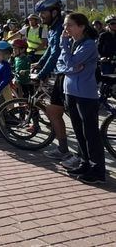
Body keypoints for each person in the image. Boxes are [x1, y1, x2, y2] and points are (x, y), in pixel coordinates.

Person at [57, 12, 104, 184]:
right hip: (70, 91)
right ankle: (85, 163)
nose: (66, 28)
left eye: (69, 25)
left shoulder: (89, 44)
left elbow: (68, 62)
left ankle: (98, 170)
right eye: (65, 25)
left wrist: (68, 59)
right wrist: (71, 66)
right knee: (78, 131)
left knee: (90, 133)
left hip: (85, 94)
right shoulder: (73, 43)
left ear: (81, 26)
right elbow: (62, 65)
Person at [31, 0, 70, 161]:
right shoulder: (53, 28)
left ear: (54, 12)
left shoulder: (60, 27)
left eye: (43, 13)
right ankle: (63, 148)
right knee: (55, 112)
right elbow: (49, 50)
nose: (41, 17)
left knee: (55, 112)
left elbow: (55, 54)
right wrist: (39, 63)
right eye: (39, 14)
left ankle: (64, 149)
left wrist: (42, 73)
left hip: (64, 75)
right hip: (60, 74)